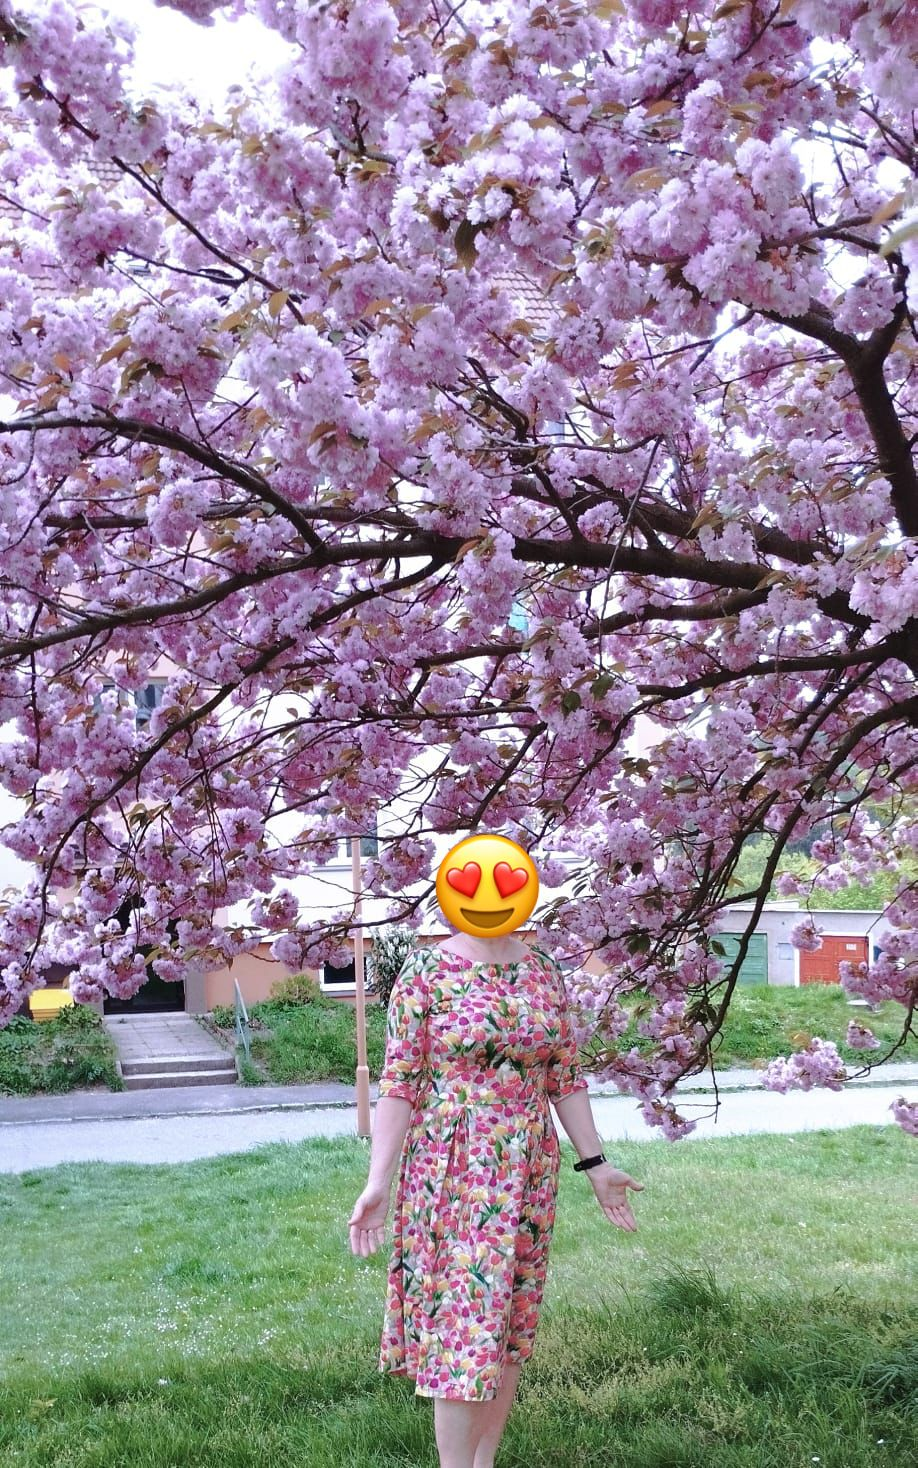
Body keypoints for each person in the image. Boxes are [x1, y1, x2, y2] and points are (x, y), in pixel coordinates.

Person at [349, 844, 644, 1468]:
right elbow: (400, 1082)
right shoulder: (426, 972)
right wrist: (379, 1181)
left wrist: (596, 1166)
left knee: (509, 1325)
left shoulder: (544, 972)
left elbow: (564, 1075)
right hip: (455, 1169)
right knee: (466, 1329)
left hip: (529, 1169)